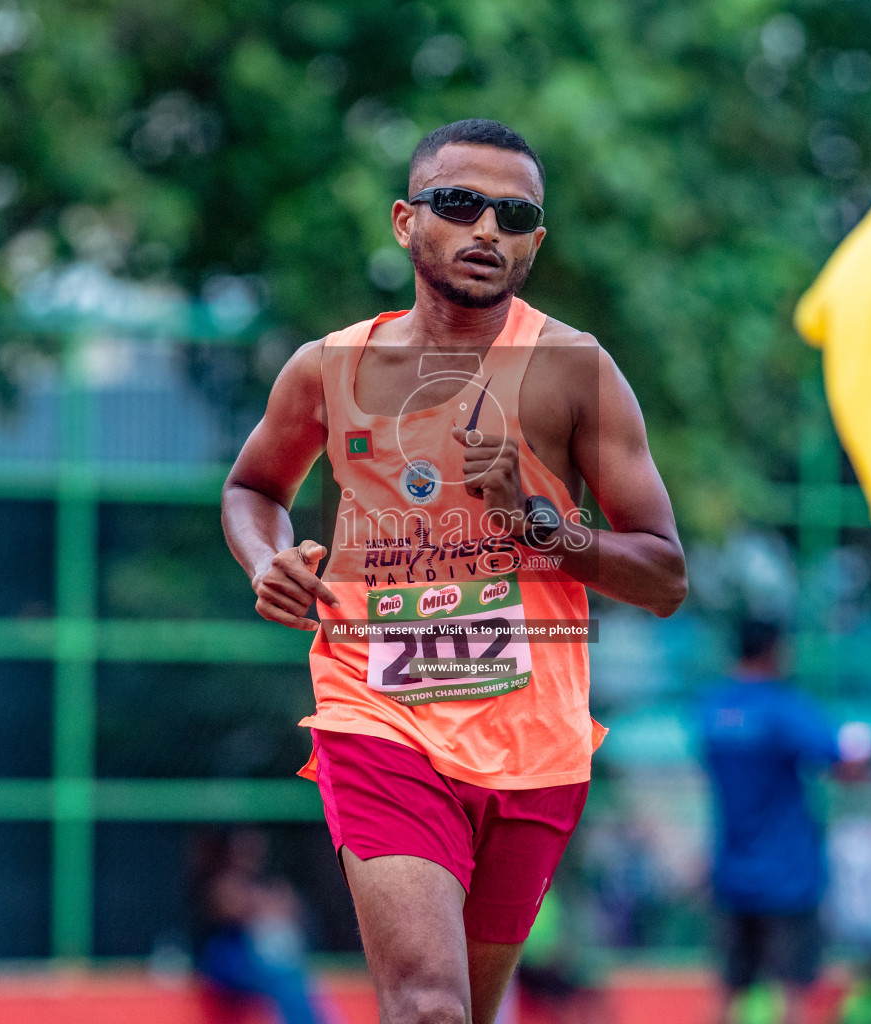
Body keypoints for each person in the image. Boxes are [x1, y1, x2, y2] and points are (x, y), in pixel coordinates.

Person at [222, 118, 687, 1024]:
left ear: (536, 242)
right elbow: (252, 487)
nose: (487, 230)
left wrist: (539, 525)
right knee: (428, 1007)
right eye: (459, 204)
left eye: (514, 215)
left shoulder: (572, 371)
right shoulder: (331, 367)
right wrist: (268, 559)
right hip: (378, 715)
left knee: (467, 1014)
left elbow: (664, 576)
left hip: (531, 742)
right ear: (405, 221)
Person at [693, 619, 871, 1024]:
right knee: (789, 989)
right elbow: (842, 761)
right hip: (787, 873)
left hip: (732, 870)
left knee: (730, 988)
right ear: (774, 650)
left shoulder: (712, 709)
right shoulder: (782, 708)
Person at [192, 828, 327, 1024]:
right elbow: (229, 908)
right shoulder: (220, 880)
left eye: (255, 845)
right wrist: (262, 904)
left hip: (264, 960)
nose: (250, 851)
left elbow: (294, 912)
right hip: (225, 958)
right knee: (283, 980)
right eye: (244, 845)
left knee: (293, 980)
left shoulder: (270, 881)